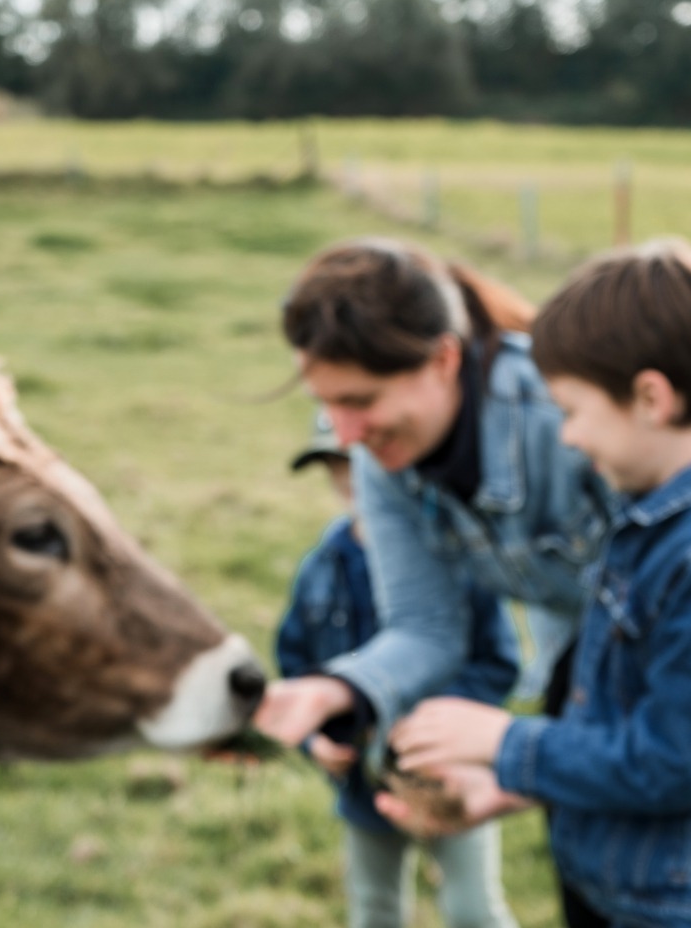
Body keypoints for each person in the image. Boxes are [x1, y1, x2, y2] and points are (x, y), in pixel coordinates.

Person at [381, 238, 691, 928]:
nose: (566, 438)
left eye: (572, 411)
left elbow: (672, 762)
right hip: (644, 890)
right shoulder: (664, 518)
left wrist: (507, 744)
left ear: (651, 398)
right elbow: (629, 723)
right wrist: (509, 782)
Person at [253, 236, 618, 928]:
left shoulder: (561, 418)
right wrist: (336, 688)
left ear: (444, 359)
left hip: (675, 655)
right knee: (598, 885)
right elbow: (426, 626)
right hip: (580, 664)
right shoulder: (379, 458)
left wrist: (530, 757)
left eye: (361, 401)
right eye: (329, 406)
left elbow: (685, 588)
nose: (348, 433)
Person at [277, 409, 521, 928]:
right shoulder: (320, 569)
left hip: (447, 779)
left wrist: (441, 728)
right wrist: (316, 742)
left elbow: (498, 662)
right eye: (334, 467)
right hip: (363, 791)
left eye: (355, 463)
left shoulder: (454, 558)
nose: (348, 479)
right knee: (375, 911)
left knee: (472, 909)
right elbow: (297, 669)